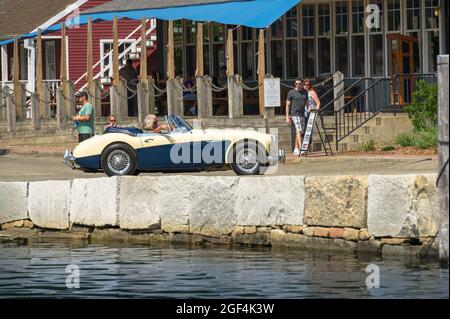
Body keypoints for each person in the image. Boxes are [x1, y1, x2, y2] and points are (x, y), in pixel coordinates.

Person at [286, 79, 309, 156]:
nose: (298, 85)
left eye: (299, 84)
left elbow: (307, 103)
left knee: (300, 132)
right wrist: (287, 116)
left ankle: (296, 148)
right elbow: (288, 105)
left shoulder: (305, 92)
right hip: (294, 114)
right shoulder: (291, 92)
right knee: (298, 130)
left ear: (302, 84)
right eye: (296, 83)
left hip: (302, 114)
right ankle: (302, 147)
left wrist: (310, 110)